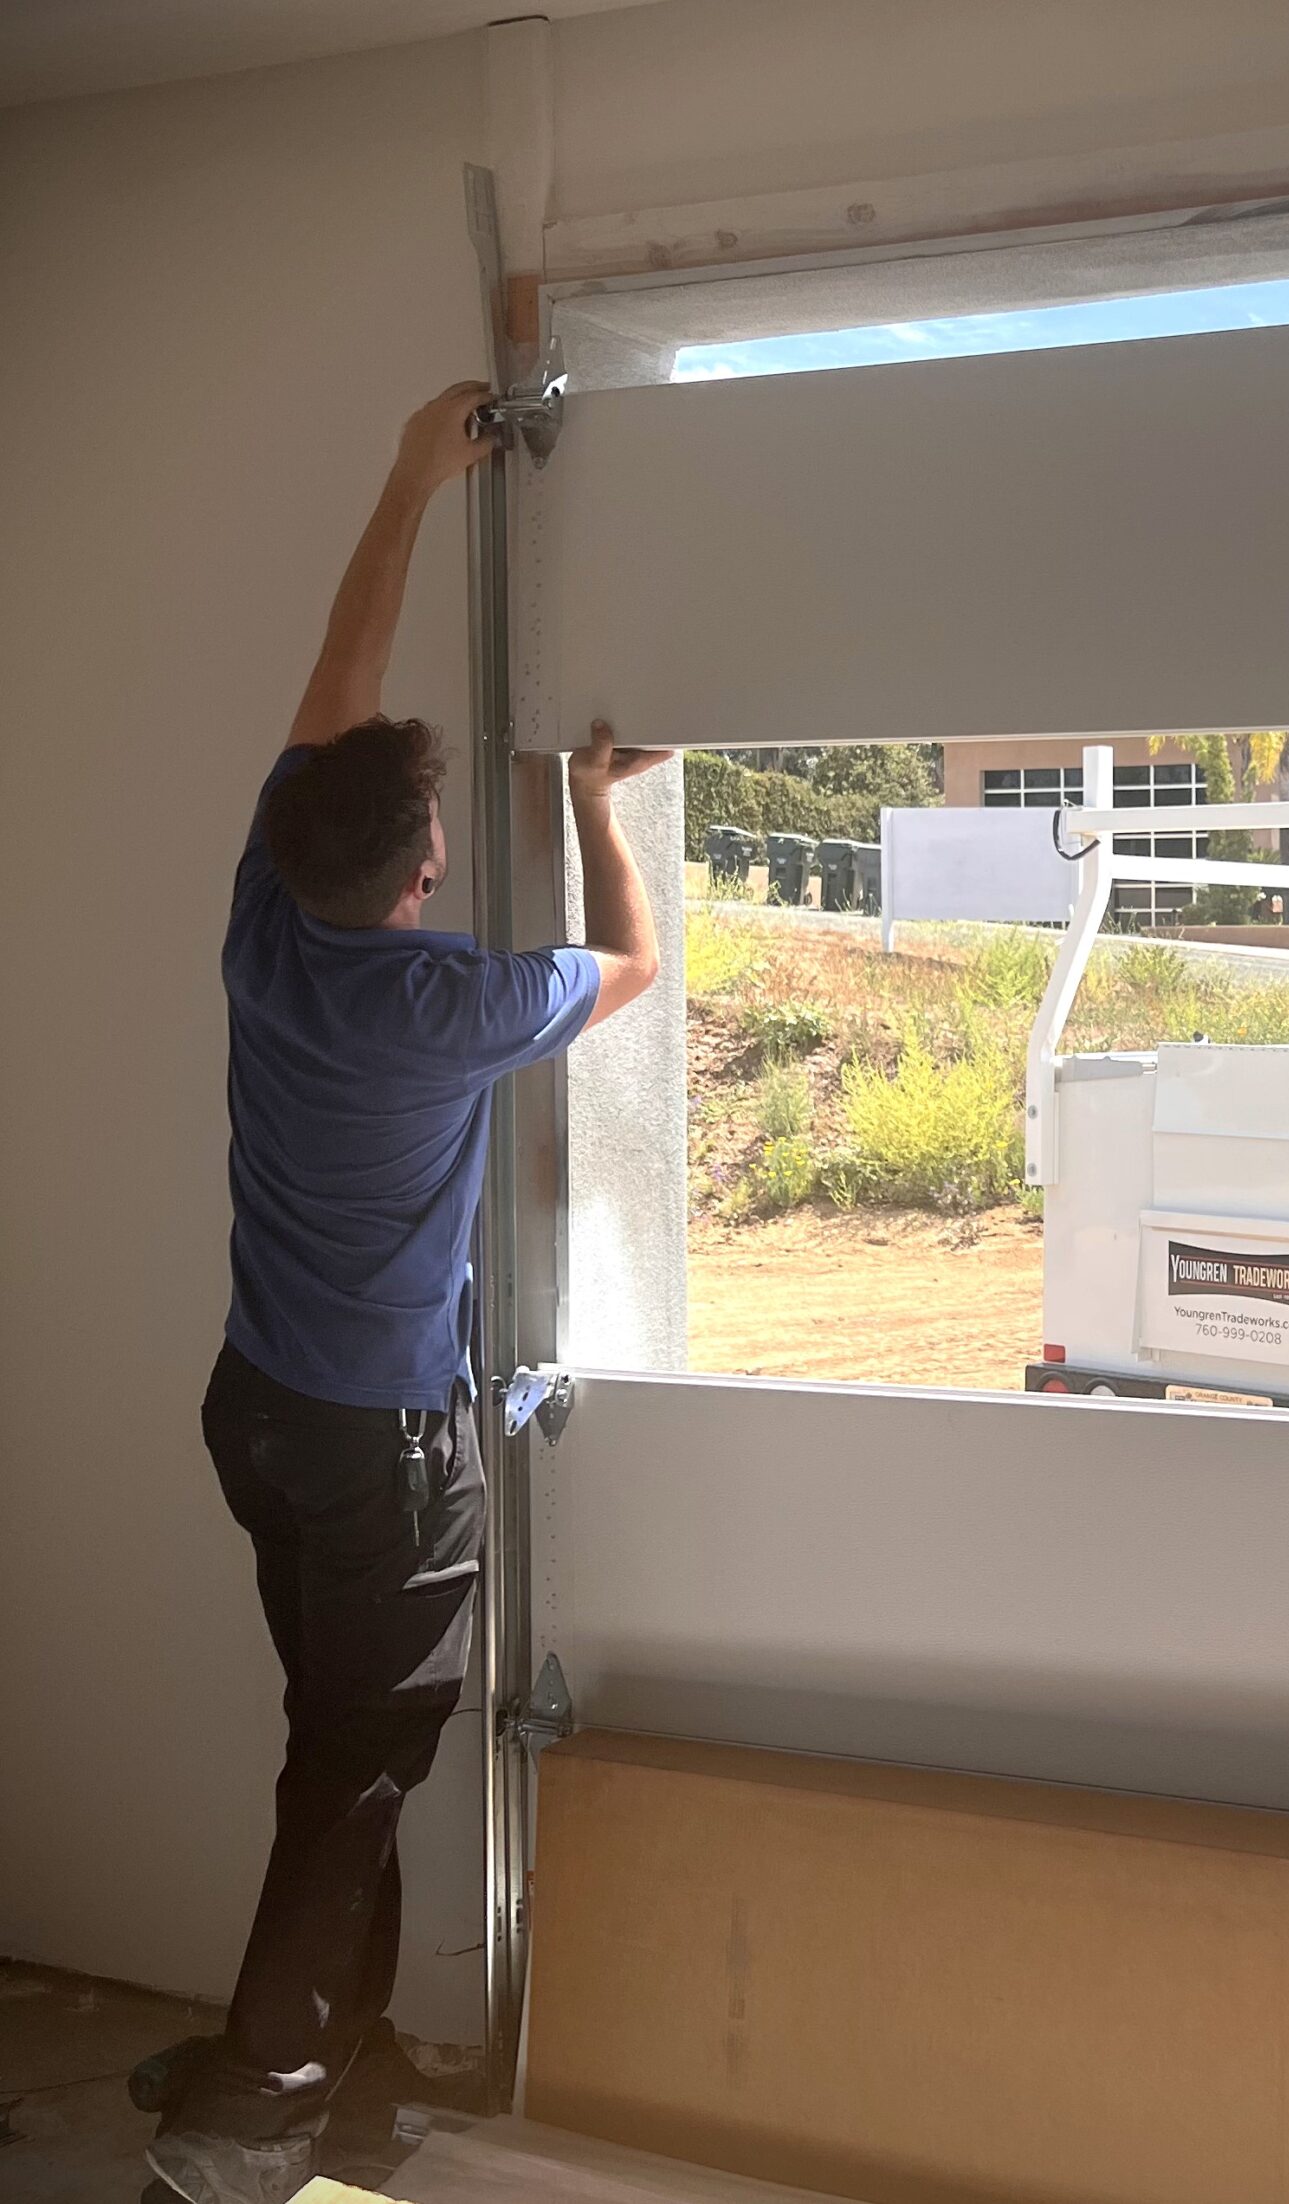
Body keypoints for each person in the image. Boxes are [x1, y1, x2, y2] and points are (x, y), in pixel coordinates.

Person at [146, 386, 671, 2204]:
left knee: (332, 1742)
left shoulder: (263, 912)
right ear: (427, 872)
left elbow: (336, 688)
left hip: (260, 1414)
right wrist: (603, 806)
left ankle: (324, 2065)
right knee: (355, 1771)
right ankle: (253, 2101)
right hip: (373, 1453)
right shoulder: (447, 1004)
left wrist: (402, 483)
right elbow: (632, 964)